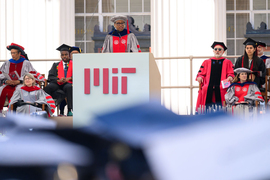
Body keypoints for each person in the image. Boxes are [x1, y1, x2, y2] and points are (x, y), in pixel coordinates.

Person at [0, 43, 45, 114]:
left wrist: (19, 81)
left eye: (14, 53)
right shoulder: (7, 63)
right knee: (1, 89)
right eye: (11, 53)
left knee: (19, 90)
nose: (12, 55)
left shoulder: (26, 63)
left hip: (21, 84)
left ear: (19, 53)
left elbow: (31, 75)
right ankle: (1, 113)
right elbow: (1, 74)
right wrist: (7, 81)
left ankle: (16, 111)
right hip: (9, 83)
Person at [196, 41, 235, 111]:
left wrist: (230, 77)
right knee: (205, 89)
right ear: (213, 51)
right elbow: (201, 73)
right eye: (216, 49)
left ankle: (222, 113)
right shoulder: (206, 62)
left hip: (221, 85)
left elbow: (231, 73)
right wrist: (200, 77)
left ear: (223, 52)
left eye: (220, 49)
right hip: (209, 85)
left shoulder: (227, 62)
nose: (217, 51)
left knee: (222, 90)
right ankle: (205, 113)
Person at [44, 44, 73, 116]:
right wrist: (58, 80)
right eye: (62, 55)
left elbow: (78, 74)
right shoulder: (56, 65)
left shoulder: (74, 64)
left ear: (69, 55)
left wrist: (69, 78)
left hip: (68, 83)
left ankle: (69, 110)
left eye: (66, 54)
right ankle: (47, 109)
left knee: (69, 87)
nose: (64, 56)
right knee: (48, 88)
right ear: (60, 56)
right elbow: (50, 76)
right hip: (58, 83)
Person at [58, 46, 82, 116]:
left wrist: (70, 79)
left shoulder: (81, 63)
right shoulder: (65, 64)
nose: (74, 56)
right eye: (72, 54)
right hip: (67, 86)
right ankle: (63, 111)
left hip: (78, 85)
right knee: (64, 91)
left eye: (76, 54)